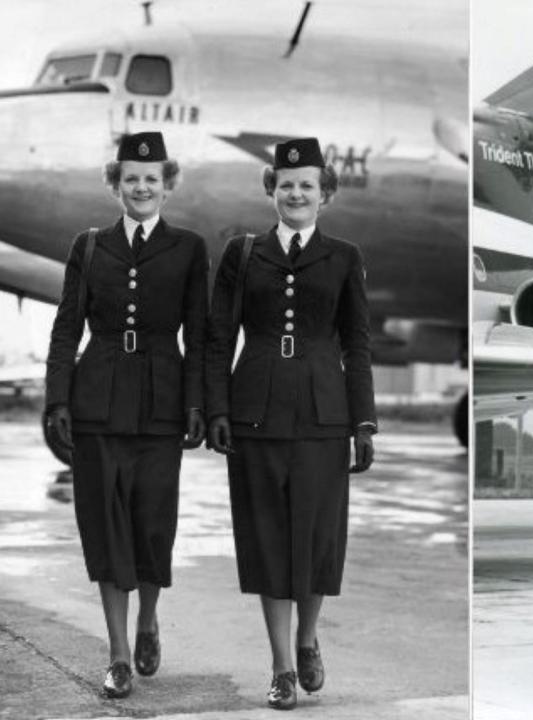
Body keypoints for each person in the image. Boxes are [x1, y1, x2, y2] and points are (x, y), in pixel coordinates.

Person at [205, 137, 376, 711]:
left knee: (319, 540)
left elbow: (356, 341)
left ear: (324, 194)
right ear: (271, 191)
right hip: (255, 413)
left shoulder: (345, 257)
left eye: (307, 185)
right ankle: (280, 667)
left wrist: (365, 422)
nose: (296, 193)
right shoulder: (242, 253)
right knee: (268, 542)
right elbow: (217, 337)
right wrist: (217, 410)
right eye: (286, 184)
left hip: (326, 416)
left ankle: (307, 638)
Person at [44, 131, 207, 698]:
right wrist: (57, 400)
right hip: (97, 404)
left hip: (161, 407)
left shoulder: (189, 248)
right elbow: (67, 328)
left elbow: (200, 332)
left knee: (151, 527)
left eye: (152, 179)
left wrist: (196, 404)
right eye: (131, 178)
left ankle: (148, 619)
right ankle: (116, 655)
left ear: (168, 186)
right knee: (104, 530)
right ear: (117, 185)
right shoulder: (88, 247)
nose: (141, 187)